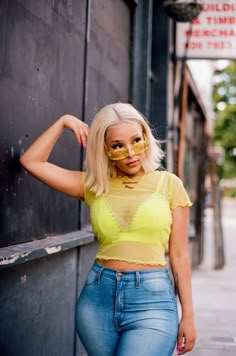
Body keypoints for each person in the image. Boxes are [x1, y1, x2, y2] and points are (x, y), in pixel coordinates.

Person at [20, 102, 196, 356]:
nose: (130, 153)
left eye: (136, 140)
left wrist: (188, 316)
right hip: (97, 299)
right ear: (104, 149)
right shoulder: (95, 185)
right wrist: (64, 120)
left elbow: (179, 255)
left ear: (146, 137)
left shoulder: (169, 185)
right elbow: (32, 161)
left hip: (152, 302)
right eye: (117, 146)